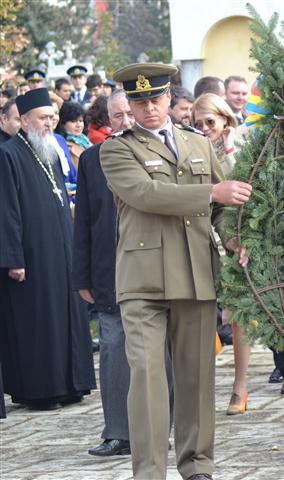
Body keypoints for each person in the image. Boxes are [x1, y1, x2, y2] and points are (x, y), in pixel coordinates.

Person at [100, 63, 252, 480]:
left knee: (196, 378)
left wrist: (235, 238)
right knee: (148, 379)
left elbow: (222, 207)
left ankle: (197, 465)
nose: (148, 109)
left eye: (155, 99)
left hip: (195, 272)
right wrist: (210, 192)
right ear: (130, 105)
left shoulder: (198, 143)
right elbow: (146, 194)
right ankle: (149, 471)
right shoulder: (117, 149)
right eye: (139, 102)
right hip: (143, 279)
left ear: (170, 98)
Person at [0, 88, 96, 411]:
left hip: (61, 251)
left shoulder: (51, 151)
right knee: (41, 321)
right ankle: (43, 391)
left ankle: (72, 384)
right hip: (32, 256)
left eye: (52, 118)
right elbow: (7, 211)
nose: (50, 124)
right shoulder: (8, 154)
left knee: (66, 314)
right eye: (43, 118)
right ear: (24, 120)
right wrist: (13, 258)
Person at [73, 90, 135, 456]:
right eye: (117, 116)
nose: (125, 121)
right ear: (107, 120)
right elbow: (84, 223)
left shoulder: (157, 152)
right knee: (113, 350)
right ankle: (117, 431)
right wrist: (81, 277)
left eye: (130, 113)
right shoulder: (92, 160)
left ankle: (161, 425)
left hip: (153, 270)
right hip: (107, 272)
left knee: (161, 355)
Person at [191, 92, 252, 415]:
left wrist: (228, 147)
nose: (204, 129)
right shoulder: (191, 147)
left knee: (240, 314)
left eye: (210, 122)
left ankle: (239, 387)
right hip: (202, 237)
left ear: (225, 119)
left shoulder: (241, 142)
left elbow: (240, 185)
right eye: (198, 124)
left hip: (234, 233)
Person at [56, 101, 91, 170]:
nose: (78, 125)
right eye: (73, 121)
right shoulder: (63, 145)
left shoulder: (85, 140)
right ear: (63, 123)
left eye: (80, 121)